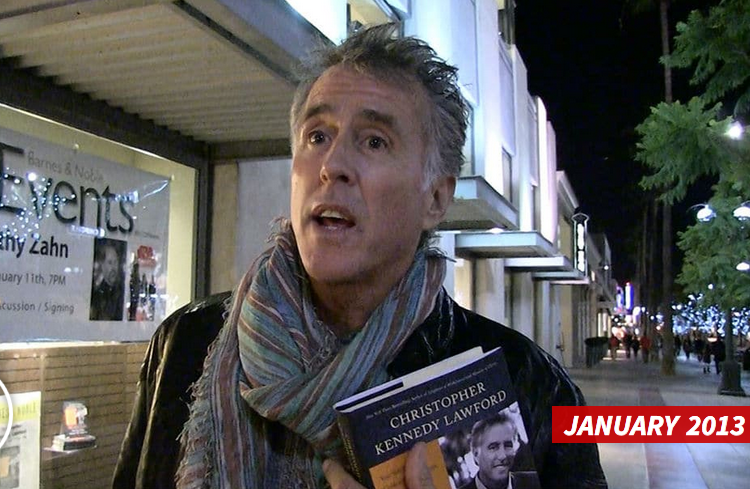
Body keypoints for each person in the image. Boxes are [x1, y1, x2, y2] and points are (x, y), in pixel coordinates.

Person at [113, 24, 607, 489]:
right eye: (317, 136)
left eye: (374, 141)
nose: (332, 165)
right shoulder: (184, 345)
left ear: (436, 198)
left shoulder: (532, 387)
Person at [460, 413, 540, 489]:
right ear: (476, 454)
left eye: (508, 445)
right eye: (493, 447)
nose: (503, 456)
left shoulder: (535, 482)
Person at [90, 238, 125, 320]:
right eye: (110, 262)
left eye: (115, 262)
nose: (113, 267)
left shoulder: (122, 292)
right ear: (102, 265)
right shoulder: (97, 296)